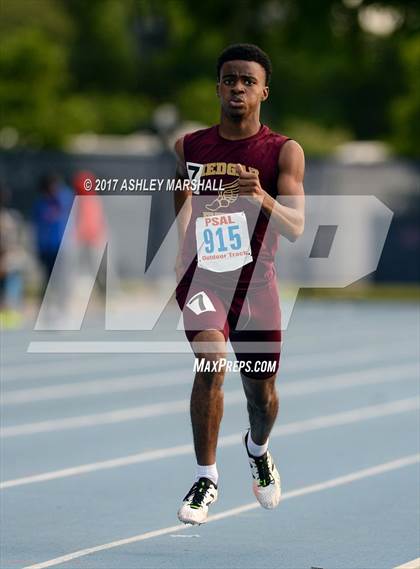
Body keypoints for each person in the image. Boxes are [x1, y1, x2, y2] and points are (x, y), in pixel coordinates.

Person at [174, 43, 305, 525]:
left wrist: (260, 195)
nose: (237, 88)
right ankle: (206, 476)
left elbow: (296, 226)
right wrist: (183, 251)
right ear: (218, 87)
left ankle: (258, 448)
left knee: (261, 395)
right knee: (211, 361)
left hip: (258, 286)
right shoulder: (190, 146)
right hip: (206, 279)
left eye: (248, 81)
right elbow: (181, 194)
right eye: (229, 79)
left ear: (263, 92)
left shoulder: (283, 151)